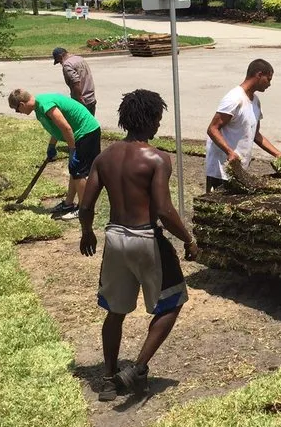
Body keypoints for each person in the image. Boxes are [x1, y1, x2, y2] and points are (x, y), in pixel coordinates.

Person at [78, 90, 199, 401]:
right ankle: (138, 368)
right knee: (173, 301)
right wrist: (188, 239)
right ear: (151, 119)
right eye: (157, 119)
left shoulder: (104, 158)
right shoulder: (157, 158)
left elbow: (86, 205)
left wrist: (87, 233)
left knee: (115, 311)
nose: (158, 124)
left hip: (114, 238)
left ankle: (108, 379)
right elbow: (164, 210)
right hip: (145, 238)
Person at [8, 88, 101, 219]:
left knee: (79, 171)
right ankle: (68, 204)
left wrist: (72, 150)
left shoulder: (45, 105)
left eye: (17, 110)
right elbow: (57, 128)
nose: (18, 113)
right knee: (74, 170)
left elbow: (66, 128)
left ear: (22, 104)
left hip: (87, 132)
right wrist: (52, 145)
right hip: (79, 134)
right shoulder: (39, 108)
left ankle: (83, 208)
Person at [204, 58, 281, 191]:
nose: (269, 84)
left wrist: (277, 153)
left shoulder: (255, 102)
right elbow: (212, 129)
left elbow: (256, 135)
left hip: (238, 170)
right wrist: (229, 152)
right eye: (268, 79)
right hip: (221, 170)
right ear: (259, 75)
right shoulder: (234, 98)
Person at [52, 47, 97, 115]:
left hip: (82, 101)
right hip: (91, 98)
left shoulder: (67, 65)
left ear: (60, 56)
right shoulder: (79, 58)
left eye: (59, 61)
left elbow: (75, 82)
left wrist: (79, 99)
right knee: (91, 120)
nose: (61, 63)